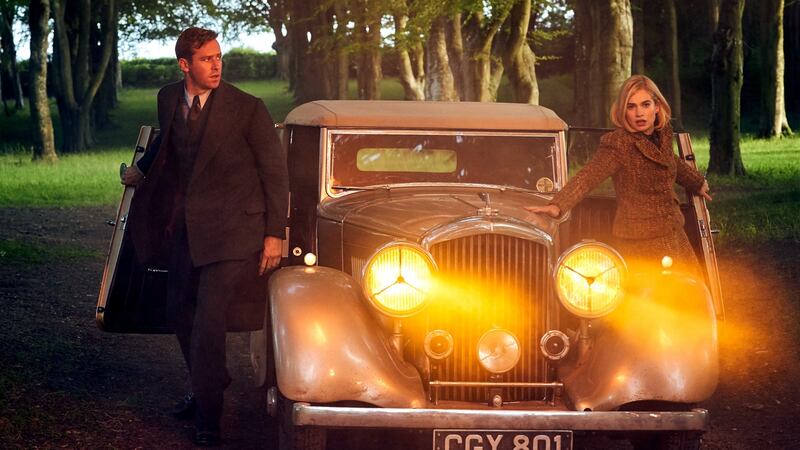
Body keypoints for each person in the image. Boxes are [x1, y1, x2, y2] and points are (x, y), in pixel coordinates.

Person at [121, 27, 288, 446]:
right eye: (207, 59)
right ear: (185, 65)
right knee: (178, 311)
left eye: (219, 57)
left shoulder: (248, 108)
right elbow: (169, 147)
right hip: (186, 231)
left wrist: (274, 234)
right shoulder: (167, 98)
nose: (217, 65)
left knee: (209, 323)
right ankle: (211, 379)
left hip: (235, 233)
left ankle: (209, 421)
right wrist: (139, 173)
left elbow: (275, 173)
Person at [526, 74, 711, 274]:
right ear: (623, 111)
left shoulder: (662, 135)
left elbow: (670, 162)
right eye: (631, 107)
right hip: (640, 242)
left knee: (691, 298)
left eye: (645, 105)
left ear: (657, 107)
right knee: (651, 302)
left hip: (675, 234)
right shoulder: (619, 144)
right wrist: (557, 205)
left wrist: (698, 182)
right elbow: (588, 176)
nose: (639, 113)